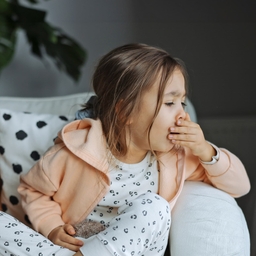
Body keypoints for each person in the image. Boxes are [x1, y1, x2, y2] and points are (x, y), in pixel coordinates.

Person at [0, 43, 250, 256]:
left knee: (155, 207)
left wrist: (205, 150)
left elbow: (240, 186)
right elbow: (33, 190)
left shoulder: (177, 158)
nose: (183, 114)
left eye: (182, 102)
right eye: (170, 102)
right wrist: (52, 227)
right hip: (75, 247)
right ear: (125, 111)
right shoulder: (77, 149)